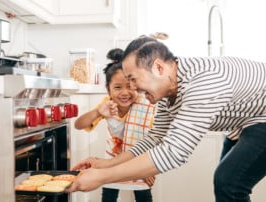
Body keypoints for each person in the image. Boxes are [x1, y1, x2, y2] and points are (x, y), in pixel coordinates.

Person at [67, 36, 266, 202]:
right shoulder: (167, 91)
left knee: (229, 183)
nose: (133, 88)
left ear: (158, 68)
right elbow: (156, 138)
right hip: (245, 121)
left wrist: (102, 177)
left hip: (262, 117)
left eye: (133, 79)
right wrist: (105, 164)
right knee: (226, 185)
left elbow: (173, 152)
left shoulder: (204, 81)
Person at [74, 48, 156, 202]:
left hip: (140, 162)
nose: (125, 92)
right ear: (108, 90)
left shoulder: (146, 104)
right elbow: (79, 125)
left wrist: (150, 168)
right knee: (109, 196)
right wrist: (98, 112)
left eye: (130, 86)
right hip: (111, 161)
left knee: (143, 196)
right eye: (117, 87)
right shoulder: (107, 105)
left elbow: (155, 139)